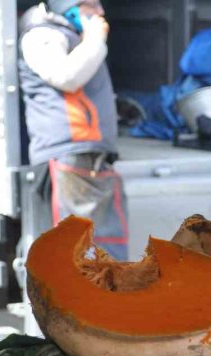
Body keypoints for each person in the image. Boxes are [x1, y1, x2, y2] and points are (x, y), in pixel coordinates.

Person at [18, 0, 128, 260]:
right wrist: (94, 39)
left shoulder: (69, 36)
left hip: (88, 158)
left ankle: (105, 300)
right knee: (78, 252)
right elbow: (66, 76)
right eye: (91, 6)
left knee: (104, 247)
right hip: (69, 156)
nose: (100, 12)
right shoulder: (42, 35)